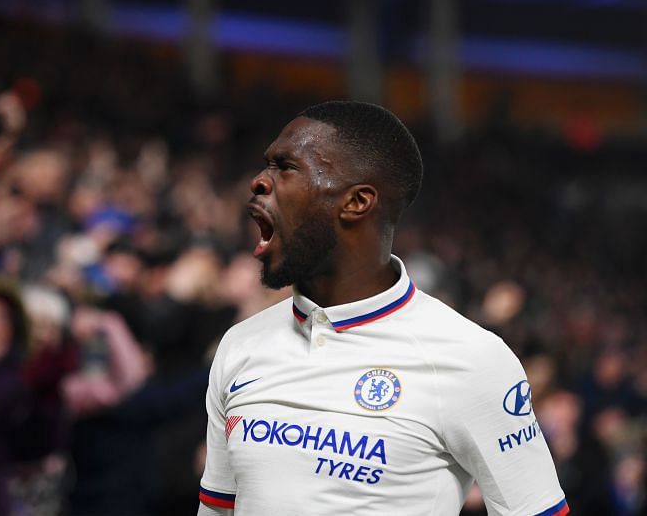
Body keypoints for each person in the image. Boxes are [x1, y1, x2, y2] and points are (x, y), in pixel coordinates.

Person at [197, 101, 568, 516]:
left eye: (285, 167)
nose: (259, 182)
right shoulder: (241, 345)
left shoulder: (471, 358)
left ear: (357, 202)